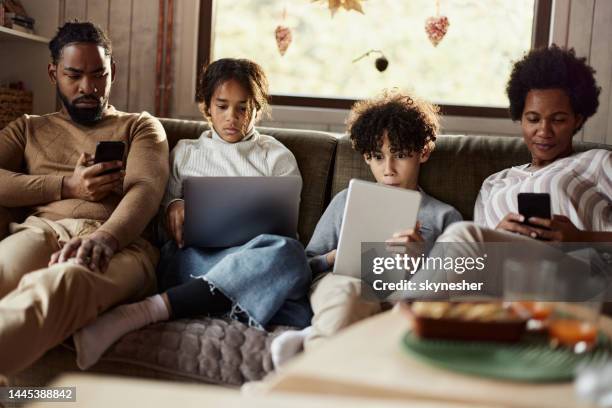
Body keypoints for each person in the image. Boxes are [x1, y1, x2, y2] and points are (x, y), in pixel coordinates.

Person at [73, 58, 313, 369]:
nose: (232, 117)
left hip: (255, 261)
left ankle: (189, 303)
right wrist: (172, 207)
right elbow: (158, 228)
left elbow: (285, 230)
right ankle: (159, 308)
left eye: (243, 108)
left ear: (256, 108)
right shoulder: (185, 152)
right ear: (207, 107)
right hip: (196, 259)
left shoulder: (277, 157)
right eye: (222, 106)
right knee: (291, 301)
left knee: (290, 255)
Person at [0, 21, 169, 375]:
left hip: (119, 241)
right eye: (74, 76)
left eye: (99, 75)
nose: (88, 87)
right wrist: (66, 187)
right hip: (43, 230)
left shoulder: (141, 126)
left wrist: (106, 237)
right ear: (53, 73)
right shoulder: (28, 128)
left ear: (113, 72)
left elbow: (145, 189)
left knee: (65, 281)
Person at [271, 90, 462, 365]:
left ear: (424, 152)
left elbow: (454, 290)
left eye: (400, 155)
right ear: (365, 157)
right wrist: (332, 258)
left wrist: (419, 263)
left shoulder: (445, 217)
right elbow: (304, 265)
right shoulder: (346, 201)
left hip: (395, 303)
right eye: (378, 156)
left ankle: (311, 348)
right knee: (350, 293)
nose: (389, 170)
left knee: (381, 308)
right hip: (341, 288)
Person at [441, 45, 609, 244]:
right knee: (461, 239)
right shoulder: (494, 183)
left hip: (574, 267)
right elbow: (480, 257)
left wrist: (580, 238)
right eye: (533, 119)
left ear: (577, 120)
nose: (544, 131)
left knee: (462, 235)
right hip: (504, 268)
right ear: (521, 118)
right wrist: (496, 238)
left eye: (558, 120)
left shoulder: (598, 162)